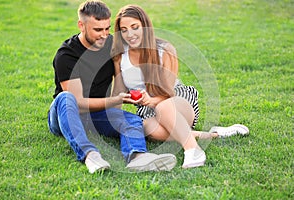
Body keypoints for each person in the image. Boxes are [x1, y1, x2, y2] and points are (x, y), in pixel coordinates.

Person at [111, 5, 249, 169]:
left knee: (164, 106)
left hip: (176, 100)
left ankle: (193, 150)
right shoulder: (120, 56)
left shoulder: (165, 49)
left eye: (135, 27)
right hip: (147, 110)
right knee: (148, 128)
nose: (130, 35)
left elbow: (168, 92)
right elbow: (118, 93)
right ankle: (215, 134)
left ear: (145, 26)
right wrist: (118, 106)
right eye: (124, 30)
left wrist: (152, 100)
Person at [48, 0, 177, 174]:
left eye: (107, 29)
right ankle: (90, 155)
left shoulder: (110, 45)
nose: (104, 35)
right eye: (98, 30)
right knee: (66, 98)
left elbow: (138, 43)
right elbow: (78, 103)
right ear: (81, 25)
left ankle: (138, 157)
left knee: (132, 120)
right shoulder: (67, 55)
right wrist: (113, 101)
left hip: (97, 115)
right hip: (65, 115)